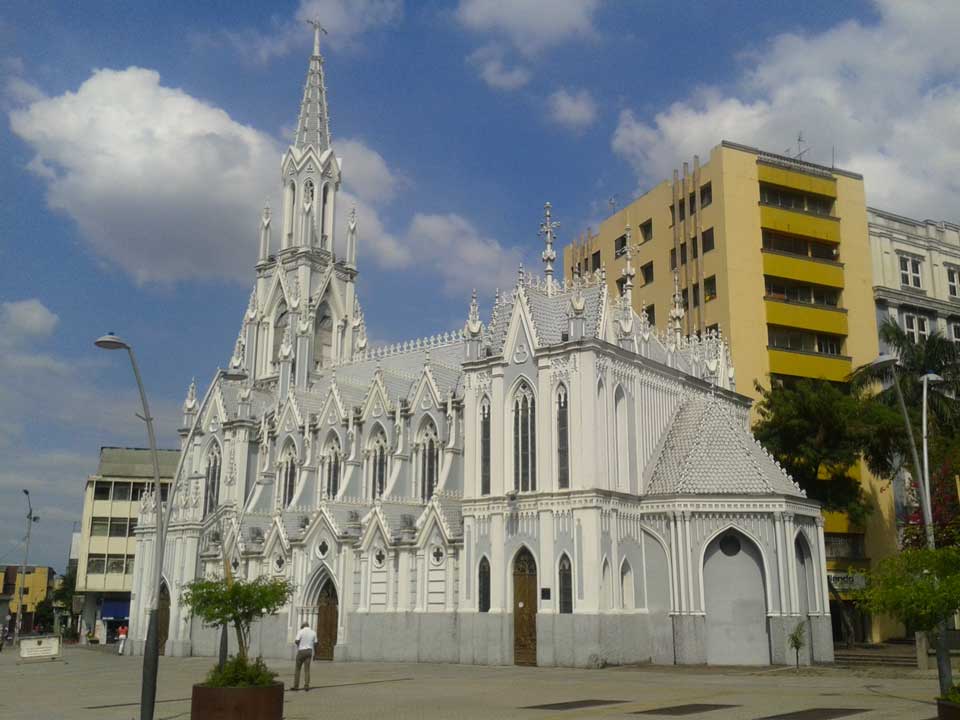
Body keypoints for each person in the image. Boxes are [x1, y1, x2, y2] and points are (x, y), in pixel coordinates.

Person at [291, 622, 317, 692]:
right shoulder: (313, 632)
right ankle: (306, 685)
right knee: (307, 669)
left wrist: (299, 645)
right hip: (309, 651)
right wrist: (315, 653)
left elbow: (296, 641)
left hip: (301, 651)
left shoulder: (301, 631)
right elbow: (315, 643)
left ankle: (296, 686)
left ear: (303, 626)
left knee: (298, 669)